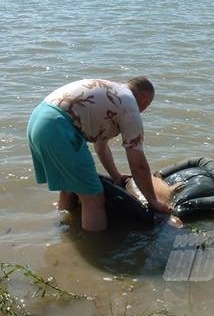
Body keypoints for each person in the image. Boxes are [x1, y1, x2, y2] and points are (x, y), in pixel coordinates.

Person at [27, 77, 170, 232]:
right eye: (147, 105)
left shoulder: (113, 93)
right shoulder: (130, 108)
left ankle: (64, 226)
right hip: (59, 128)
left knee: (69, 185)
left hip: (39, 119)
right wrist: (152, 201)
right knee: (94, 199)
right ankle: (94, 248)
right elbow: (139, 165)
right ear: (143, 100)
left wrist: (116, 176)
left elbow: (101, 147)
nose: (143, 110)